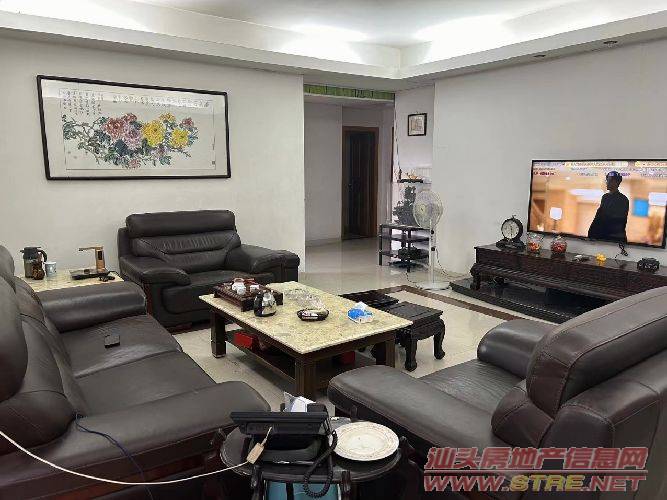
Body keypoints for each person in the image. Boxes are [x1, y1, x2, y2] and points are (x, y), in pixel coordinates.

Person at [588, 171, 629, 242]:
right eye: (607, 180)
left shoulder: (623, 199)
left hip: (613, 239)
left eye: (609, 180)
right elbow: (599, 216)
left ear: (616, 182)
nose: (607, 183)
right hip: (601, 237)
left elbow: (618, 221)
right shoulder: (605, 197)